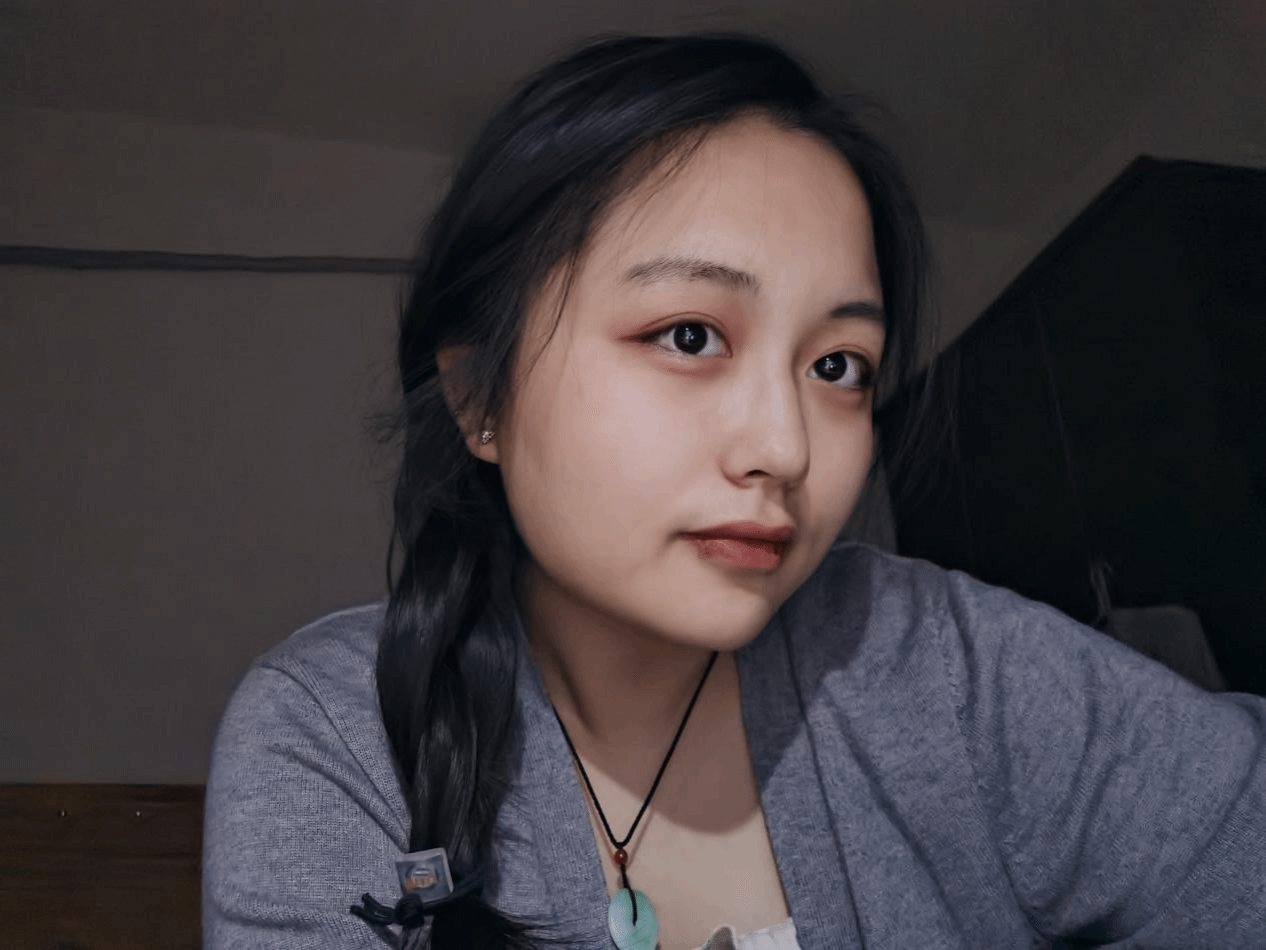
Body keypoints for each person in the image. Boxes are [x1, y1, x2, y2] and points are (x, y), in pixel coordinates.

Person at [202, 33, 1266, 950]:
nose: (785, 446)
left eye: (838, 365)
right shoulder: (339, 733)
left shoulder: (933, 661)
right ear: (480, 397)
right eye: (689, 335)